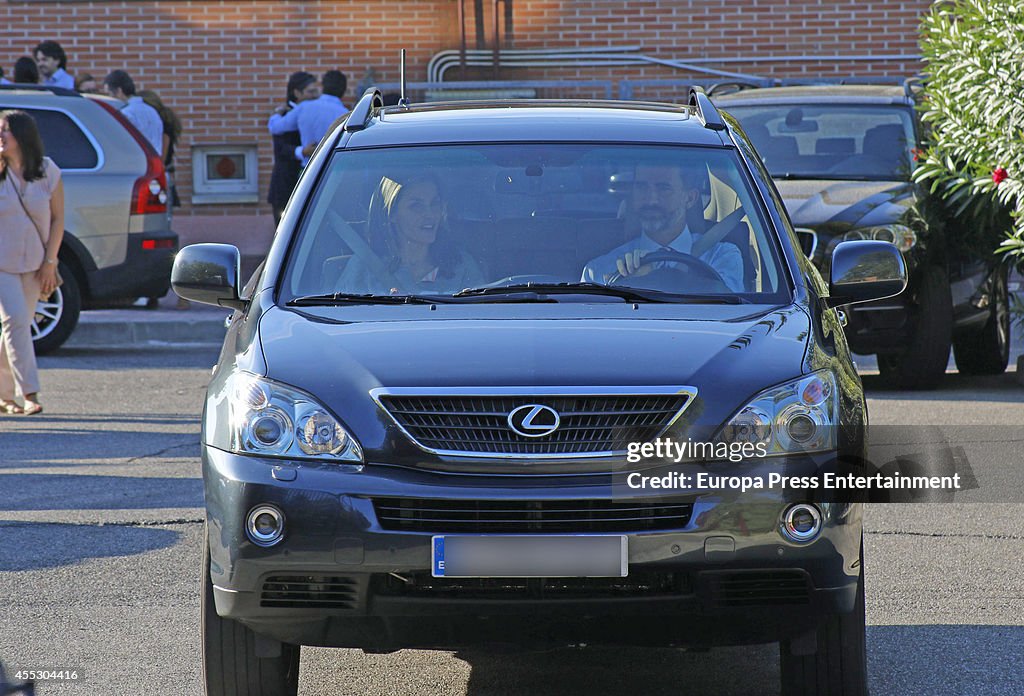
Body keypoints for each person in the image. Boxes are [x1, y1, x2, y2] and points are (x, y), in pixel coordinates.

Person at [581, 163, 744, 292]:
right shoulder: (600, 271)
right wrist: (628, 284)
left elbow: (731, 315)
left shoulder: (721, 258)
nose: (651, 200)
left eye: (663, 188)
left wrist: (648, 280)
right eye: (642, 187)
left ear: (690, 198)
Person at [0, 110, 64, 415]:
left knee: (17, 326)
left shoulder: (48, 171)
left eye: (4, 131)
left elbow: (58, 218)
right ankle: (29, 392)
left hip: (37, 262)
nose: (0, 137)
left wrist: (51, 261)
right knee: (14, 321)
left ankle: (3, 395)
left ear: (22, 137)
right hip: (2, 265)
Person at [338, 173, 484, 294]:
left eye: (434, 203)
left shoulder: (461, 265)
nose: (430, 214)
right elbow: (341, 318)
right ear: (391, 213)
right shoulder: (364, 268)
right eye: (416, 206)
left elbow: (480, 318)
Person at [267, 71, 319, 225]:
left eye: (316, 91)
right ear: (297, 92)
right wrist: (302, 151)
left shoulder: (315, 110)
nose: (315, 95)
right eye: (310, 91)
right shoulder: (284, 115)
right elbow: (281, 149)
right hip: (286, 186)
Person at [268, 69, 348, 167]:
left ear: (322, 86)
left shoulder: (304, 107)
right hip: (334, 169)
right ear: (344, 91)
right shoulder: (346, 115)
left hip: (309, 168)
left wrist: (276, 114)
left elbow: (275, 127)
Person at [102, 69, 163, 155]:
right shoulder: (151, 111)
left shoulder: (125, 114)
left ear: (119, 91)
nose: (108, 98)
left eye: (109, 94)